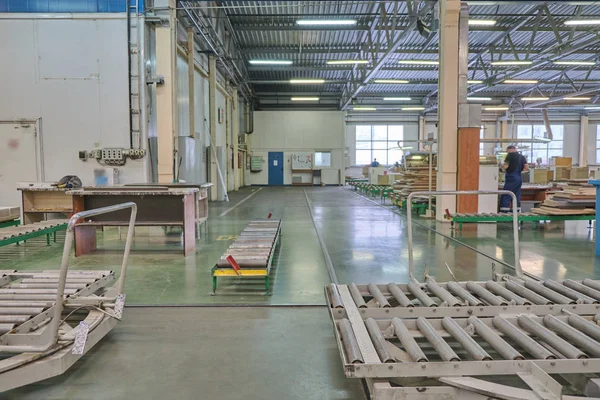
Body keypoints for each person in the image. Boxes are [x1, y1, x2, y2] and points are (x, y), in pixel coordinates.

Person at [499, 145, 529, 213]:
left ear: (509, 150)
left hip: (511, 179)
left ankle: (504, 212)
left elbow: (505, 166)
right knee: (516, 195)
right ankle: (516, 212)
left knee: (506, 194)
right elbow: (526, 167)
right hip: (519, 178)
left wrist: (501, 165)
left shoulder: (509, 156)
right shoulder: (522, 157)